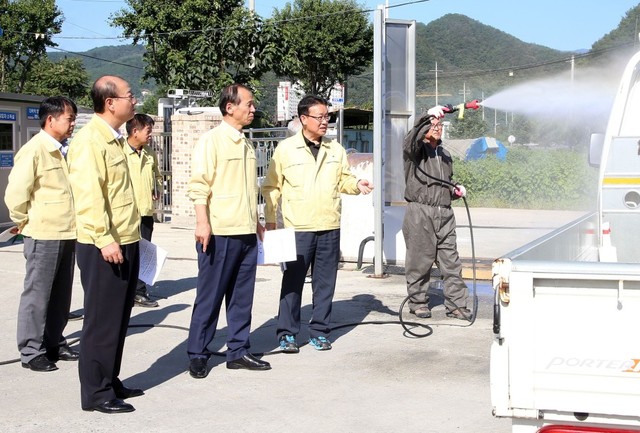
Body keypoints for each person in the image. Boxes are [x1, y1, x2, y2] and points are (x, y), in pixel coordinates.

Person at [262, 95, 373, 353]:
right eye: (320, 117)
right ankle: (287, 333)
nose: (325, 122)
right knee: (293, 282)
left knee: (325, 283)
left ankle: (320, 330)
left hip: (329, 225)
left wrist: (357, 184)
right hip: (297, 227)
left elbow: (344, 180)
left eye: (327, 117)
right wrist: (270, 222)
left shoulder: (335, 150)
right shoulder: (286, 150)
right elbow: (271, 187)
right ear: (303, 119)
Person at [67, 75, 143, 413]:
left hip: (125, 239)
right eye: (130, 95)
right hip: (104, 246)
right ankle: (96, 394)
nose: (135, 100)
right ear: (110, 102)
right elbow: (88, 197)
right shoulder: (89, 141)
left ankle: (110, 380)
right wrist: (104, 239)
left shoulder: (114, 140)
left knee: (118, 319)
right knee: (101, 322)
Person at [186, 83, 270, 379]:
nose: (252, 108)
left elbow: (245, 189)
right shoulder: (212, 141)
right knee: (210, 296)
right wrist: (202, 222)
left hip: (245, 231)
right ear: (229, 107)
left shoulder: (245, 142)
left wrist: (256, 220)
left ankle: (238, 350)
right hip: (219, 231)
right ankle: (198, 352)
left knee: (241, 296)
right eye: (247, 103)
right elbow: (199, 185)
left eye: (252, 103)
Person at [4, 96, 80, 372]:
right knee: (37, 293)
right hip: (43, 232)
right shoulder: (35, 150)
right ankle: (30, 349)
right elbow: (15, 194)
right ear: (51, 119)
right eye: (69, 118)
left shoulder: (63, 150)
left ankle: (54, 342)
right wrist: (23, 222)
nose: (73, 123)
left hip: (67, 230)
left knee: (61, 294)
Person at [402, 105, 471, 320]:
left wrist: (454, 189)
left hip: (445, 213)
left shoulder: (445, 155)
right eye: (432, 125)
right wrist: (427, 117)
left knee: (451, 262)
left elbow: (445, 182)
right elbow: (411, 137)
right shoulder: (415, 152)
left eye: (439, 125)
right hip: (420, 212)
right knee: (419, 260)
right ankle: (418, 302)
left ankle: (457, 305)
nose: (436, 128)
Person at [125, 113, 162, 308]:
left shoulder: (149, 152)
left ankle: (139, 292)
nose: (151, 135)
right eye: (148, 131)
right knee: (126, 253)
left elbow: (157, 174)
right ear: (135, 131)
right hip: (127, 214)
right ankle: (125, 290)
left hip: (146, 211)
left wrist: (157, 188)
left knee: (144, 252)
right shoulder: (121, 152)